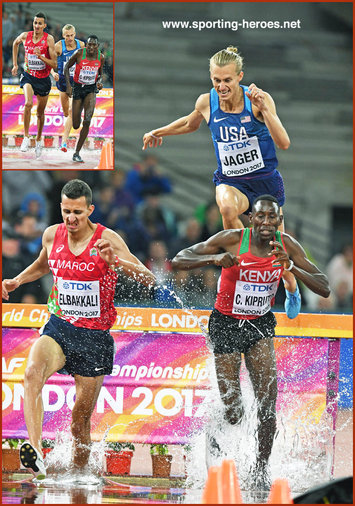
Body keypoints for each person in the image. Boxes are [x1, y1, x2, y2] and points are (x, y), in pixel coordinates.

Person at [171, 194, 330, 490]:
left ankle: (260, 470)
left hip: (259, 325)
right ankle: (221, 436)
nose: (267, 223)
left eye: (273, 218)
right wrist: (214, 259)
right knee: (234, 410)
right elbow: (179, 259)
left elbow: (324, 286)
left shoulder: (286, 245)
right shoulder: (232, 239)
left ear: (279, 220)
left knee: (267, 405)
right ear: (251, 218)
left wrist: (292, 268)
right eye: (261, 217)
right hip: (226, 324)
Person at [2, 179, 156, 480]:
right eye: (65, 211)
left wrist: (116, 262)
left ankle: (81, 475)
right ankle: (37, 454)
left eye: (77, 212)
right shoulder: (51, 235)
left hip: (94, 337)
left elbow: (148, 278)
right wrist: (17, 281)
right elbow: (43, 265)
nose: (71, 219)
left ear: (90, 210)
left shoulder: (108, 238)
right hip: (59, 326)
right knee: (32, 372)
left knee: (79, 421)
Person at [142, 46, 301, 319]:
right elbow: (190, 123)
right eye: (216, 80)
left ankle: (292, 288)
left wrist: (266, 110)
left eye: (227, 80)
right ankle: (241, 265)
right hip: (232, 181)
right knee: (226, 207)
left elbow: (283, 143)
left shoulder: (257, 101)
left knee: (279, 253)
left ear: (240, 76)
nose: (222, 85)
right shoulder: (207, 102)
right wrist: (160, 131)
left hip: (265, 185)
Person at [12, 12, 57, 158]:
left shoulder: (49, 40)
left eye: (40, 23)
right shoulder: (25, 36)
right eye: (35, 22)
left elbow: (54, 63)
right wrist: (14, 65)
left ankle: (38, 140)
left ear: (44, 25)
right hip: (28, 76)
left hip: (43, 79)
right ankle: (26, 137)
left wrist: (40, 57)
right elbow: (15, 43)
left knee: (40, 113)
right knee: (28, 103)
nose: (37, 25)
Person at [64, 35, 104, 163]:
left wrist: (99, 81)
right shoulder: (79, 54)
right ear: (86, 45)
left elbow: (100, 74)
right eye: (89, 45)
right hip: (77, 88)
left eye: (94, 45)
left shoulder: (100, 57)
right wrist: (68, 85)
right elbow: (66, 68)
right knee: (76, 125)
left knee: (87, 120)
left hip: (90, 90)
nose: (91, 47)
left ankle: (77, 152)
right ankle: (78, 115)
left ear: (97, 46)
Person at [51, 24, 85, 152]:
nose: (69, 38)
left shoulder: (81, 45)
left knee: (71, 110)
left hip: (75, 83)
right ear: (63, 35)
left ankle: (64, 143)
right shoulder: (59, 46)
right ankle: (74, 116)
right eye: (67, 36)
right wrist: (53, 73)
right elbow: (50, 62)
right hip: (62, 83)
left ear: (74, 34)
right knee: (66, 112)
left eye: (71, 35)